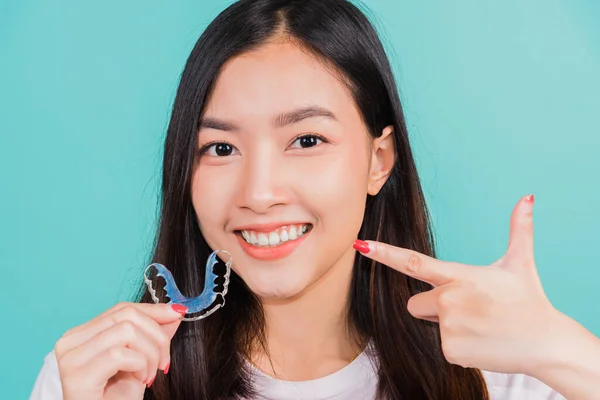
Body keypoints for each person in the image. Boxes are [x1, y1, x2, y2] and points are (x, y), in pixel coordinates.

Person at [30, 0, 600, 399]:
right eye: (221, 147)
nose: (258, 193)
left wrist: (565, 353)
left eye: (306, 140)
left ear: (378, 160)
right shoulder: (95, 380)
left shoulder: (504, 377)